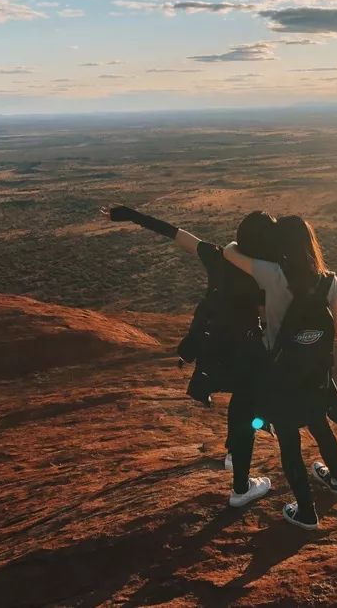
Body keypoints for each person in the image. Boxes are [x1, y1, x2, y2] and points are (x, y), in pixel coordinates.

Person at [100, 204, 275, 509]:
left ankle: (233, 454)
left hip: (215, 351)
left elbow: (173, 232)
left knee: (240, 406)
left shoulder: (218, 256)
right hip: (246, 353)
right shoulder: (265, 272)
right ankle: (240, 488)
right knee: (247, 409)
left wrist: (129, 214)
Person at [222, 215, 337, 531]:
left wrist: (255, 242)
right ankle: (335, 480)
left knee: (290, 443)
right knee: (321, 426)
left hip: (282, 377)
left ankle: (306, 512)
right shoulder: (331, 282)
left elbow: (228, 251)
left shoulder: (272, 274)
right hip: (316, 375)